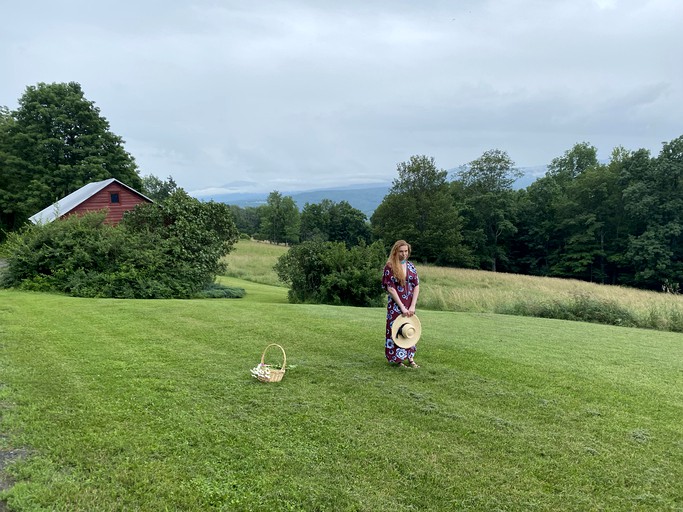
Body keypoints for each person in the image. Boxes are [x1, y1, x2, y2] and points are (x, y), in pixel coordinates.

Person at [381, 240, 420, 368]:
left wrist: (412, 305)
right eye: (401, 251)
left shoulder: (411, 266)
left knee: (409, 330)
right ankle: (398, 360)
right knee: (397, 331)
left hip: (409, 305)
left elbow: (416, 285)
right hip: (396, 306)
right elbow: (391, 288)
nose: (404, 254)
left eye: (406, 251)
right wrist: (402, 307)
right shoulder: (390, 267)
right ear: (395, 252)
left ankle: (410, 357)